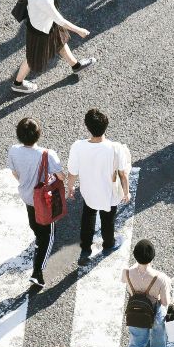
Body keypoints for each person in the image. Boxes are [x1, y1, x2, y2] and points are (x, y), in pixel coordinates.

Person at [11, 0, 93, 94]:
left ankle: (75, 65)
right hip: (41, 32)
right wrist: (80, 31)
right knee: (32, 59)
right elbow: (61, 20)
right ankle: (17, 84)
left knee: (60, 42)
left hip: (45, 26)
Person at [65, 107, 131, 263]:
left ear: (87, 127)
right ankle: (109, 243)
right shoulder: (116, 148)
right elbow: (123, 174)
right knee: (108, 220)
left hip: (89, 192)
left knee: (88, 217)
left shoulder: (78, 146)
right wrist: (126, 193)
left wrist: (70, 187)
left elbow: (72, 172)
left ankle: (86, 247)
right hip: (110, 194)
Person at [9, 116, 65, 291]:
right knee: (48, 236)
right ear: (38, 135)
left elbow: (14, 173)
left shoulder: (13, 150)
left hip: (27, 196)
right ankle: (37, 272)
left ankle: (38, 239)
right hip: (44, 200)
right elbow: (61, 176)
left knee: (34, 223)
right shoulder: (47, 154)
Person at [121, 240, 170, 347]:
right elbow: (165, 302)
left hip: (136, 314)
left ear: (134, 255)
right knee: (158, 329)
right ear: (152, 257)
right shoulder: (161, 278)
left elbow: (127, 286)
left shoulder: (126, 272)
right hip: (154, 311)